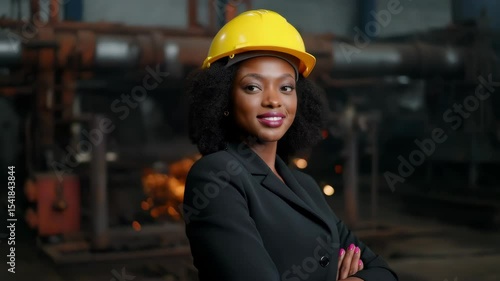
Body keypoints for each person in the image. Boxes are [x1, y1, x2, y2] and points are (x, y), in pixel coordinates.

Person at [182, 9, 399, 281]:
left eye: (286, 87)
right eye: (253, 87)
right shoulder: (217, 175)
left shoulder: (304, 184)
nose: (274, 100)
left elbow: (384, 274)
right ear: (223, 98)